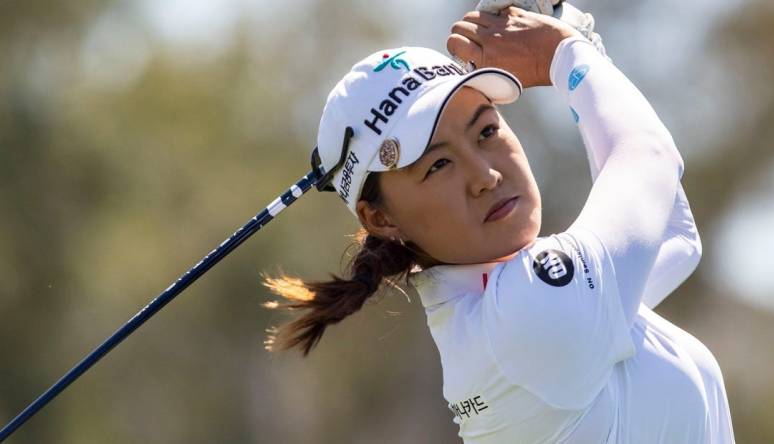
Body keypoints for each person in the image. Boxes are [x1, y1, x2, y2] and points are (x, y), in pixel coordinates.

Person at [263, 6, 735, 443]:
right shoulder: (528, 311)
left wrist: (573, 40)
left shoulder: (497, 308)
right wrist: (565, 53)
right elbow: (648, 156)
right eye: (437, 166)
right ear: (381, 218)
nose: (485, 176)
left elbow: (671, 234)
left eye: (486, 132)